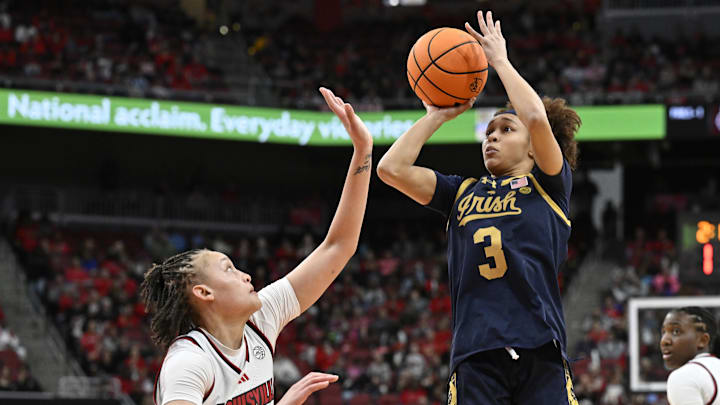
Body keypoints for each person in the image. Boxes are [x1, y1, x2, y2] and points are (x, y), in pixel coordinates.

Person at [377, 10, 581, 405]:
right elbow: (390, 169)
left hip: (541, 348)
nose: (492, 138)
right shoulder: (461, 192)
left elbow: (536, 116)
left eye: (506, 130)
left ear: (534, 149)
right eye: (488, 132)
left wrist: (499, 61)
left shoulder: (549, 186)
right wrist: (436, 115)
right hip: (476, 353)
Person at [140, 87, 373, 405]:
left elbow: (338, 247)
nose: (246, 276)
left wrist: (363, 151)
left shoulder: (261, 319)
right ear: (204, 293)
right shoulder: (189, 363)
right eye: (229, 269)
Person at [661, 307, 720, 405]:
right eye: (663, 332)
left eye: (676, 331)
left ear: (702, 340)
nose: (664, 341)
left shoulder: (684, 376)